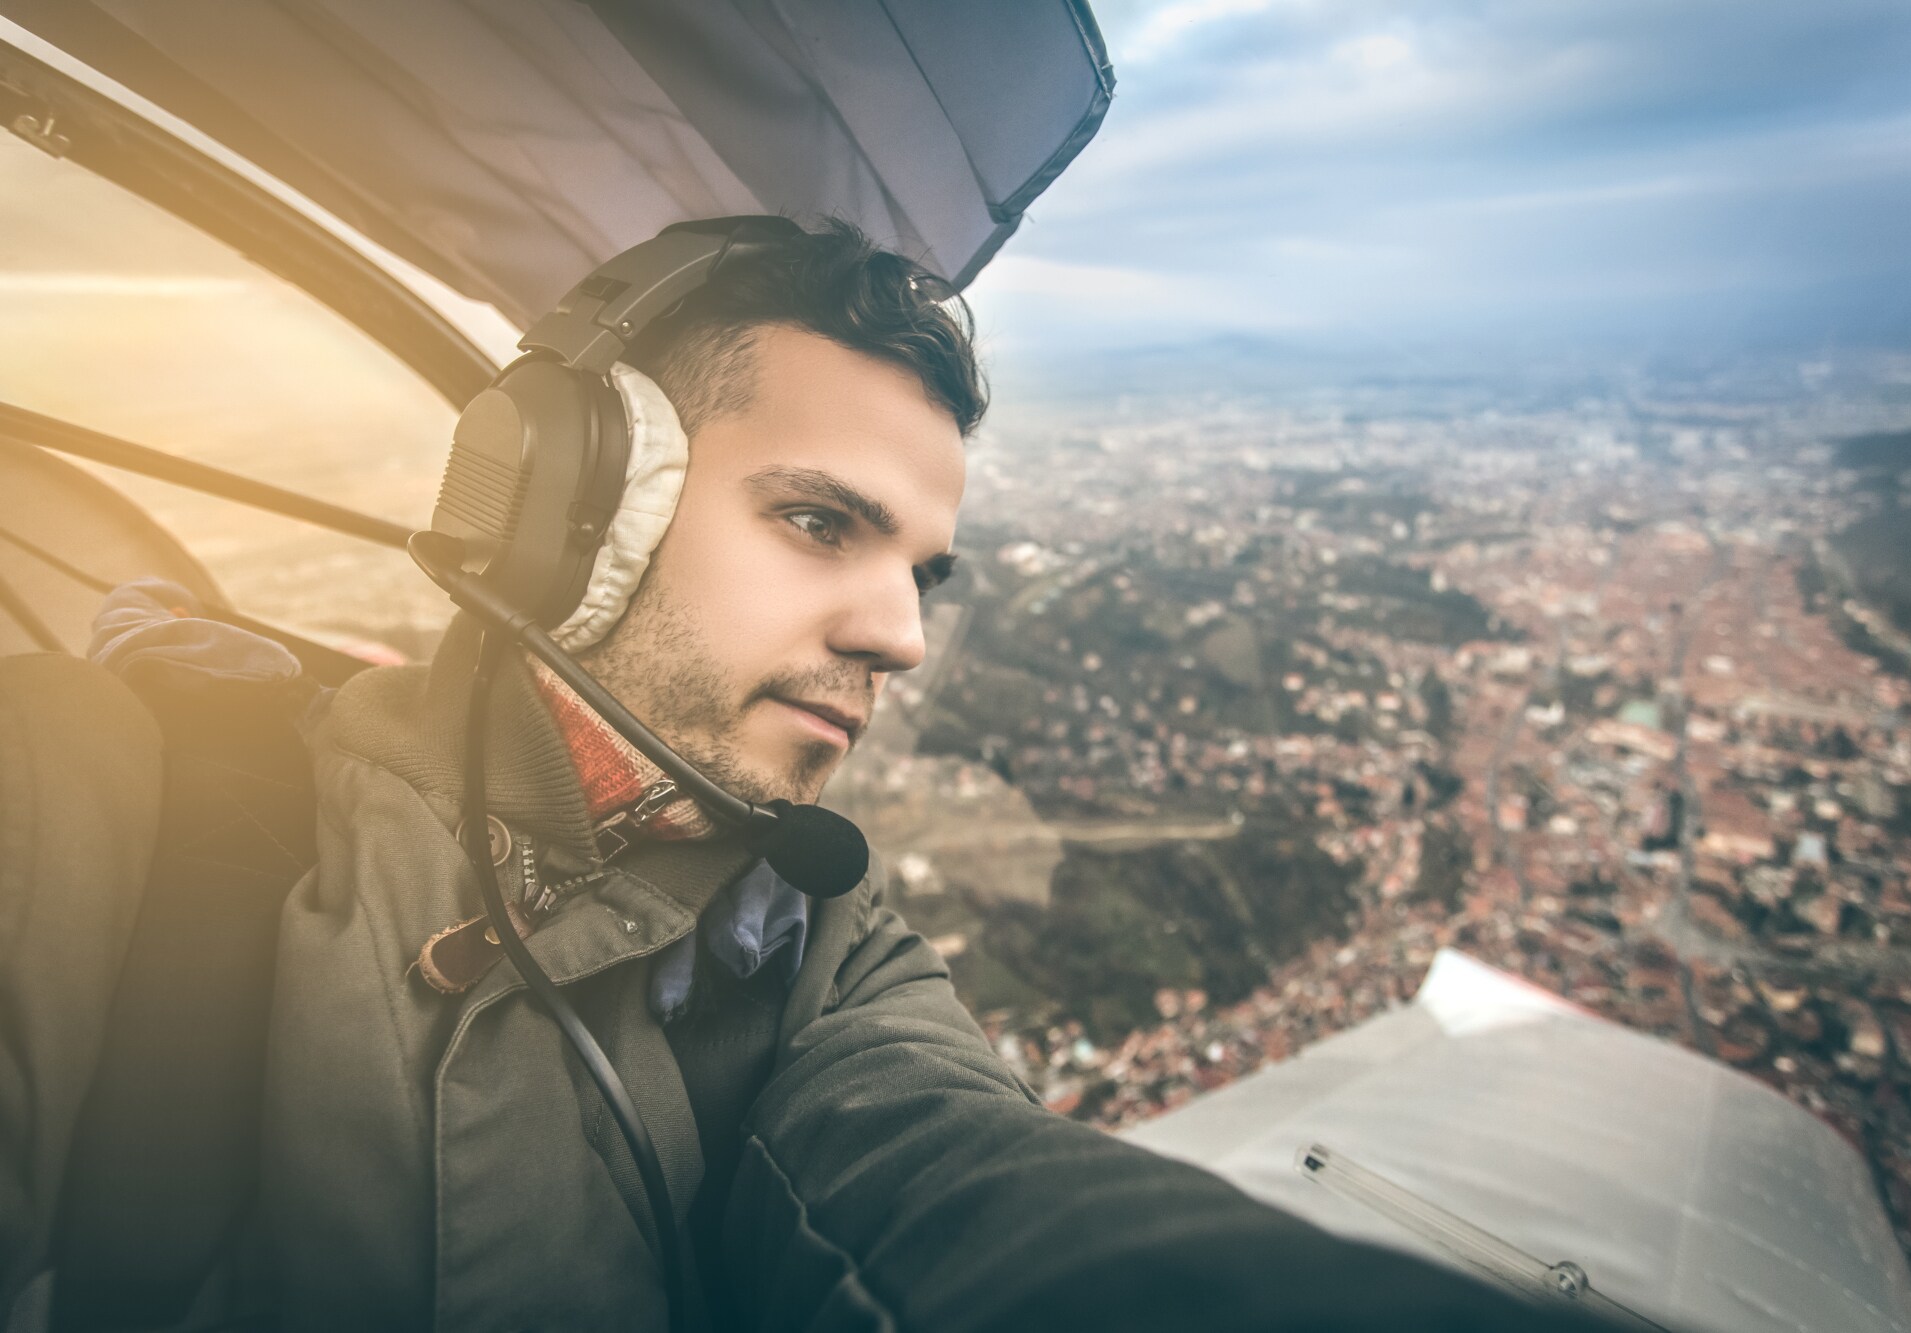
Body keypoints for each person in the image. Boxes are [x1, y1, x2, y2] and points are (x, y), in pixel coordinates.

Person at [5, 218, 1621, 1333]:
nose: (902, 635)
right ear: (562, 505)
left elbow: (966, 1196)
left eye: (930, 570)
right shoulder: (90, 800)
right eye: (823, 521)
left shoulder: (820, 956)